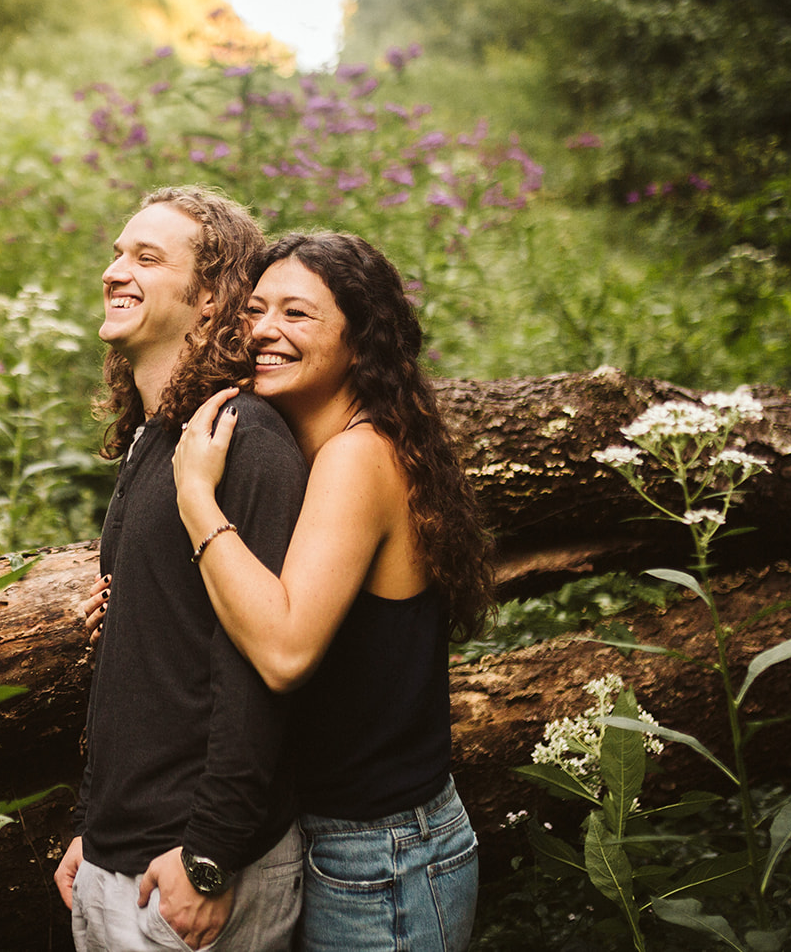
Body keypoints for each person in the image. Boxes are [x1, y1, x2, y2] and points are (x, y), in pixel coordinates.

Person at [85, 230, 494, 951]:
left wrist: (197, 496)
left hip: (384, 854)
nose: (266, 330)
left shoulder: (357, 456)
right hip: (332, 835)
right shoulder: (310, 444)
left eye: (297, 314)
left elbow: (283, 650)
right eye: (257, 308)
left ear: (360, 341)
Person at [55, 186, 309, 952]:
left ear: (207, 299)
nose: (114, 270)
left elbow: (261, 669)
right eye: (116, 251)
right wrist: (93, 829)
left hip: (194, 876)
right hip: (120, 857)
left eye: (145, 257)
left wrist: (210, 854)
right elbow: (153, 656)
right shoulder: (157, 439)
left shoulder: (243, 437)